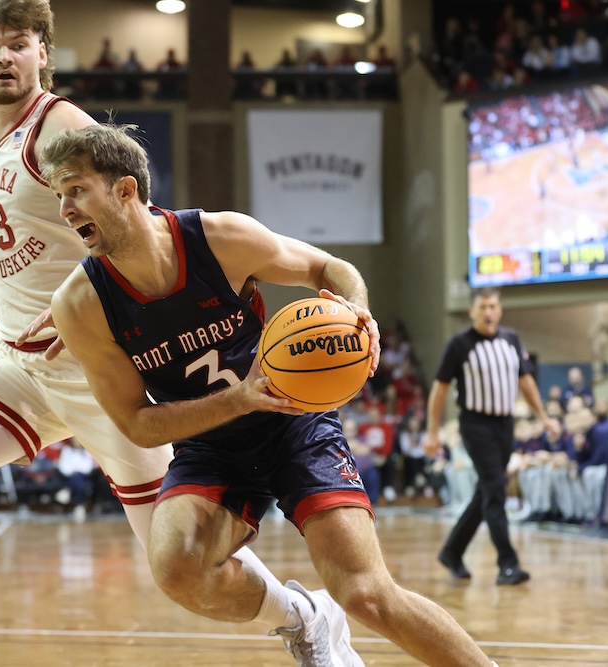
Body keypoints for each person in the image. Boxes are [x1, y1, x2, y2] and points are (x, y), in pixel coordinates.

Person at [0, 3, 360, 666]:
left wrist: (92, 306)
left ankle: (306, 614)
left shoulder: (60, 123)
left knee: (181, 572)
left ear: (42, 55)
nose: (6, 57)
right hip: (22, 372)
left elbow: (129, 210)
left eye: (20, 45)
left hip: (109, 378)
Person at [40, 122, 501, 667]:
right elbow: (139, 424)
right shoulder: (82, 304)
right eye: (59, 195)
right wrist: (240, 398)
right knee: (176, 569)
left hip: (294, 423)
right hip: (210, 445)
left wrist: (359, 311)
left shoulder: (220, 239)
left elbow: (329, 268)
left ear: (124, 190)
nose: (65, 209)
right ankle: (305, 618)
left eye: (76, 189)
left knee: (366, 595)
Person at [425, 288, 560, 586]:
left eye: (494, 306)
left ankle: (452, 551)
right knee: (496, 489)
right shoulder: (459, 344)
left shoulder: (511, 340)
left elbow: (525, 381)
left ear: (499, 310)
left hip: (504, 424)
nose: (489, 311)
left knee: (486, 491)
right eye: (483, 306)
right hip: (475, 424)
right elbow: (440, 390)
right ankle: (508, 564)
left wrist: (543, 417)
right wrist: (433, 431)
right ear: (472, 311)